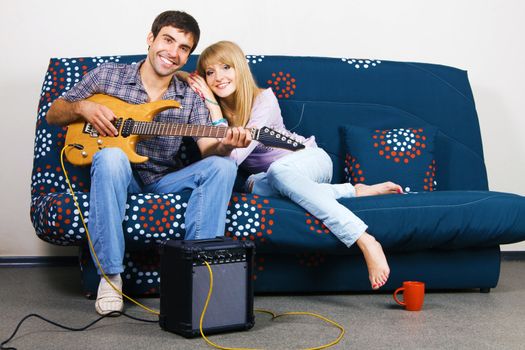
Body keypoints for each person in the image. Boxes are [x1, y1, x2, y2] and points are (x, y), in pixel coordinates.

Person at [46, 13, 251, 315]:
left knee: (224, 166)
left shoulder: (188, 97)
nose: (173, 52)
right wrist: (83, 107)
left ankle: (198, 271)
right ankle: (111, 278)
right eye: (168, 40)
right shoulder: (108, 75)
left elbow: (209, 149)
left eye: (184, 48)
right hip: (120, 176)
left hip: (161, 180)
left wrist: (226, 143)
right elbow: (54, 114)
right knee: (112, 157)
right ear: (151, 38)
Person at [184, 41, 403, 290]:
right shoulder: (212, 110)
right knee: (253, 185)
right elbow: (221, 163)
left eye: (226, 67)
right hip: (268, 179)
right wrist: (212, 106)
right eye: (210, 72)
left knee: (279, 171)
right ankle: (351, 191)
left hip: (309, 160)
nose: (218, 77)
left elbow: (232, 157)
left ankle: (364, 239)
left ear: (240, 68)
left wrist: (213, 109)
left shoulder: (264, 99)